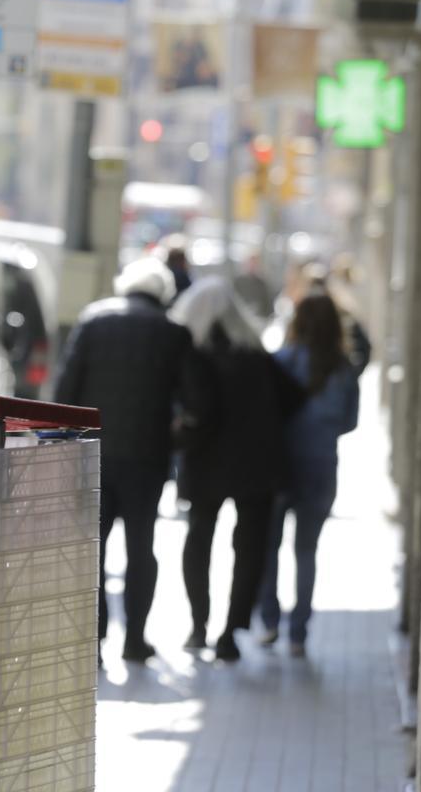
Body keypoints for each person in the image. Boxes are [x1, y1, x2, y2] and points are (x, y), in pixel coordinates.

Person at [55, 257, 193, 662]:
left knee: (93, 548)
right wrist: (175, 440)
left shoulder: (93, 321)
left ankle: (92, 642)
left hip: (94, 454)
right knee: (141, 547)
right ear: (162, 292)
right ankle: (135, 638)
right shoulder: (173, 333)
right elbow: (197, 401)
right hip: (147, 459)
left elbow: (65, 389)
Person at [171, 276, 302, 662]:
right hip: (256, 463)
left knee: (198, 540)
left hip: (206, 459)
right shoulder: (255, 354)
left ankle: (198, 626)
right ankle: (230, 633)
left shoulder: (194, 354)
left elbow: (196, 410)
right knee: (249, 549)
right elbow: (293, 396)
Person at [257, 293, 359, 657]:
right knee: (306, 550)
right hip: (321, 466)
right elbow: (350, 422)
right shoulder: (344, 368)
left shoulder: (280, 361)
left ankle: (269, 620)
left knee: (269, 547)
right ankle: (299, 633)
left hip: (281, 467)